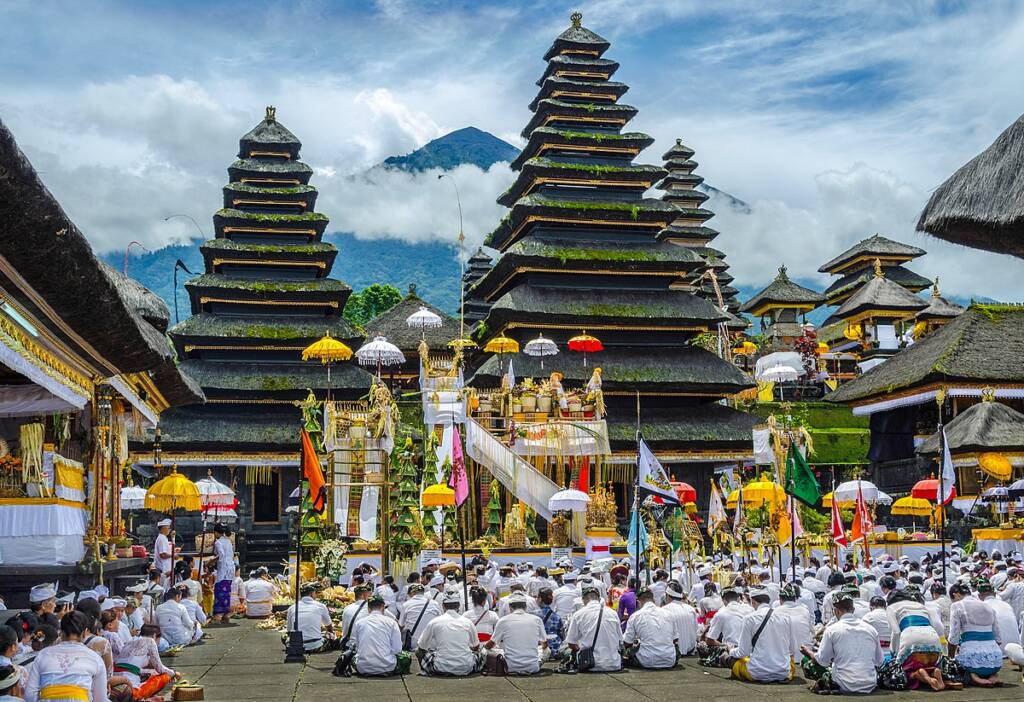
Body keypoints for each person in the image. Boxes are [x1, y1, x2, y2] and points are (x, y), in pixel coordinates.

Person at [801, 592, 883, 694]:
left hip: (844, 684)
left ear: (836, 611)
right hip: (869, 683)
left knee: (806, 661)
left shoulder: (832, 630)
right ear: (853, 610)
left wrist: (808, 652)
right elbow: (879, 661)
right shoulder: (871, 629)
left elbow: (822, 661)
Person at [884, 586, 956, 691]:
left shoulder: (891, 608)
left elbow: (896, 632)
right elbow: (938, 627)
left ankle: (918, 674)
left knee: (902, 671)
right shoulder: (922, 605)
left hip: (911, 638)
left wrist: (894, 655)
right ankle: (934, 671)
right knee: (927, 662)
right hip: (933, 640)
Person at [24, 611, 107, 702]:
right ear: (84, 632)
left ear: (61, 632)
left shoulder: (43, 655)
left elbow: (30, 695)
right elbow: (100, 699)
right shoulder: (94, 658)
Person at [730, 587, 800, 683]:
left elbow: (743, 652)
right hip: (783, 672)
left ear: (753, 601)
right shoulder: (786, 617)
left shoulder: (749, 618)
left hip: (757, 673)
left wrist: (730, 651)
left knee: (735, 661)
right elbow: (792, 650)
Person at [948, 582, 1001, 687]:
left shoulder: (957, 605)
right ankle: (993, 675)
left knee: (958, 664)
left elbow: (954, 637)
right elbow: (998, 639)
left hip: (972, 662)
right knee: (987, 664)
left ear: (955, 594)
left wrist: (951, 659)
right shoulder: (987, 606)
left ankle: (974, 677)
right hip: (996, 660)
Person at [416, 594, 483, 676]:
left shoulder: (434, 622)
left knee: (419, 651)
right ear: (458, 606)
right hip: (466, 667)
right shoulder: (468, 622)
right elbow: (476, 646)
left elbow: (421, 646)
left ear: (443, 606)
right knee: (483, 651)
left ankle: (425, 671)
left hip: (441, 666)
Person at [563, 586, 622, 673]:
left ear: (583, 600)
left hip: (589, 664)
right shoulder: (613, 613)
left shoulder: (579, 614)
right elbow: (620, 640)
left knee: (567, 652)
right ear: (599, 598)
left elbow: (571, 643)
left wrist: (581, 648)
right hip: (614, 663)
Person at [112, 623, 177, 700]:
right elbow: (160, 669)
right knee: (165, 676)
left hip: (117, 681)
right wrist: (174, 674)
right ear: (155, 635)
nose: (158, 643)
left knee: (152, 673)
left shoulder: (130, 641)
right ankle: (142, 697)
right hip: (132, 690)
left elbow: (134, 667)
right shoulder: (151, 641)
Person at [486, 592, 546, 675]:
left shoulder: (503, 620)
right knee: (547, 650)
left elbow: (491, 644)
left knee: (492, 650)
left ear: (510, 607)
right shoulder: (537, 619)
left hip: (509, 667)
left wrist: (483, 649)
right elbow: (545, 644)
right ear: (525, 607)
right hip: (533, 667)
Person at [349, 596, 406, 676]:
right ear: (383, 607)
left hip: (363, 667)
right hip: (387, 666)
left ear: (368, 609)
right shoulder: (392, 622)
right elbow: (397, 649)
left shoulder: (360, 623)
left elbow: (358, 647)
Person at [622, 589, 677, 669]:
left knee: (625, 653)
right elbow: (675, 639)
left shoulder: (635, 616)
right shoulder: (668, 614)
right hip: (669, 660)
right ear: (653, 600)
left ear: (639, 602)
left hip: (646, 661)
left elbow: (627, 642)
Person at [979, 577, 1021, 653]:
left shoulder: (983, 607)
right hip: (1015, 650)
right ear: (995, 594)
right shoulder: (1006, 605)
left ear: (979, 596)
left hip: (998, 651)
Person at [398, 584, 441, 651]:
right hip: (432, 644)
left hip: (413, 644)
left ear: (411, 593)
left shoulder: (406, 604)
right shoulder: (434, 604)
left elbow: (400, 625)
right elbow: (440, 621)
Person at [661, 583, 697, 657]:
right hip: (690, 651)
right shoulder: (691, 609)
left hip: (674, 652)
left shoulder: (664, 610)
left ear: (668, 596)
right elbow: (695, 630)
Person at [210, 523, 235, 624]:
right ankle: (226, 614)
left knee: (220, 591)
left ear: (216, 532)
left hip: (223, 569)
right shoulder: (228, 541)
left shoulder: (218, 542)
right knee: (226, 591)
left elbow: (221, 555)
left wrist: (210, 562)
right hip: (230, 569)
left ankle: (218, 615)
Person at [778, 584, 813, 648]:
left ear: (780, 600)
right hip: (804, 653)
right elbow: (811, 631)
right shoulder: (805, 611)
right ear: (795, 598)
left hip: (784, 654)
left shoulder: (775, 612)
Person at [153, 519, 173, 589]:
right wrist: (173, 555)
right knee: (163, 589)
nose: (169, 530)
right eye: (168, 528)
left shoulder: (163, 538)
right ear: (162, 529)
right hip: (163, 569)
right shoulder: (162, 539)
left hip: (164, 568)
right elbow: (163, 555)